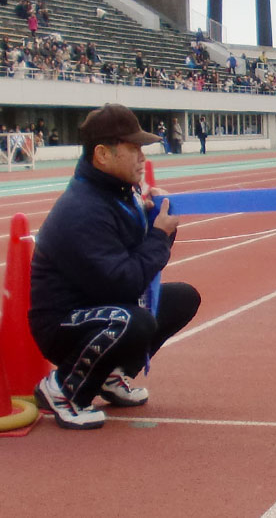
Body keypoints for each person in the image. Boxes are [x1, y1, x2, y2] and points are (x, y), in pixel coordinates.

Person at [28, 103, 200, 430]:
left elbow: (139, 265)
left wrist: (156, 222)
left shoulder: (120, 194)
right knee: (135, 321)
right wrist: (159, 235)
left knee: (181, 298)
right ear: (103, 155)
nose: (142, 157)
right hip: (62, 323)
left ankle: (110, 376)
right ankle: (63, 389)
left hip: (100, 306)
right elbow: (124, 283)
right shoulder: (82, 209)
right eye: (133, 148)